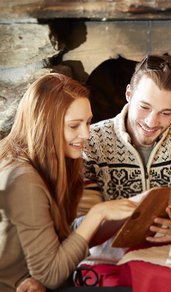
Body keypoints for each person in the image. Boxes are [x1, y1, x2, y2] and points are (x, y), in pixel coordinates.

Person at [78, 54, 171, 263]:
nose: (151, 122)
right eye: (144, 107)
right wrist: (139, 206)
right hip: (107, 265)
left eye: (165, 113)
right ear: (128, 94)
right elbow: (80, 230)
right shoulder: (90, 142)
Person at [0, 73, 138, 291]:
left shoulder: (55, 160)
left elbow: (55, 248)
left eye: (88, 122)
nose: (86, 134)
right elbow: (51, 274)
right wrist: (98, 213)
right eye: (74, 126)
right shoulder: (23, 180)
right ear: (44, 125)